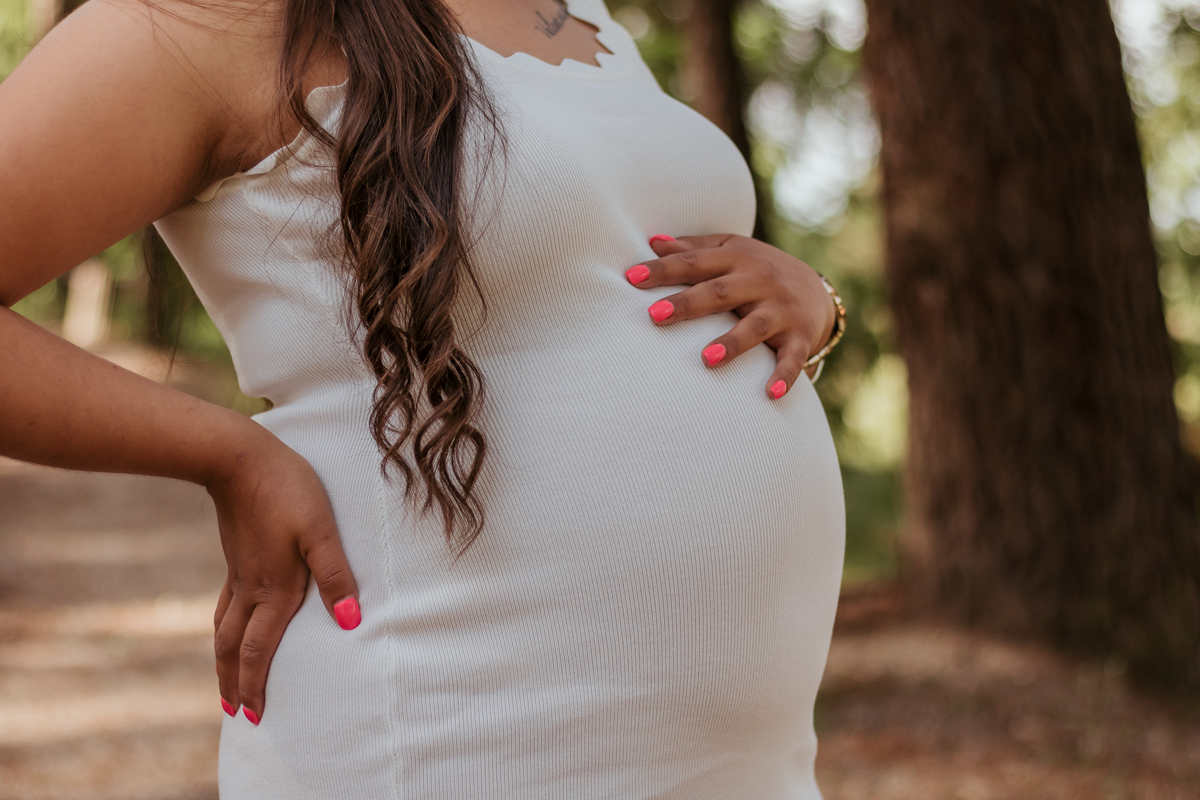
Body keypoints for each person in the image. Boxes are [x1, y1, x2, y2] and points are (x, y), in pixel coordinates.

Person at [0, 0, 847, 795]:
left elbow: (593, 271)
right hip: (451, 731)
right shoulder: (214, 21)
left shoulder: (578, 12)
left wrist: (814, 302)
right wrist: (227, 454)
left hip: (744, 762)